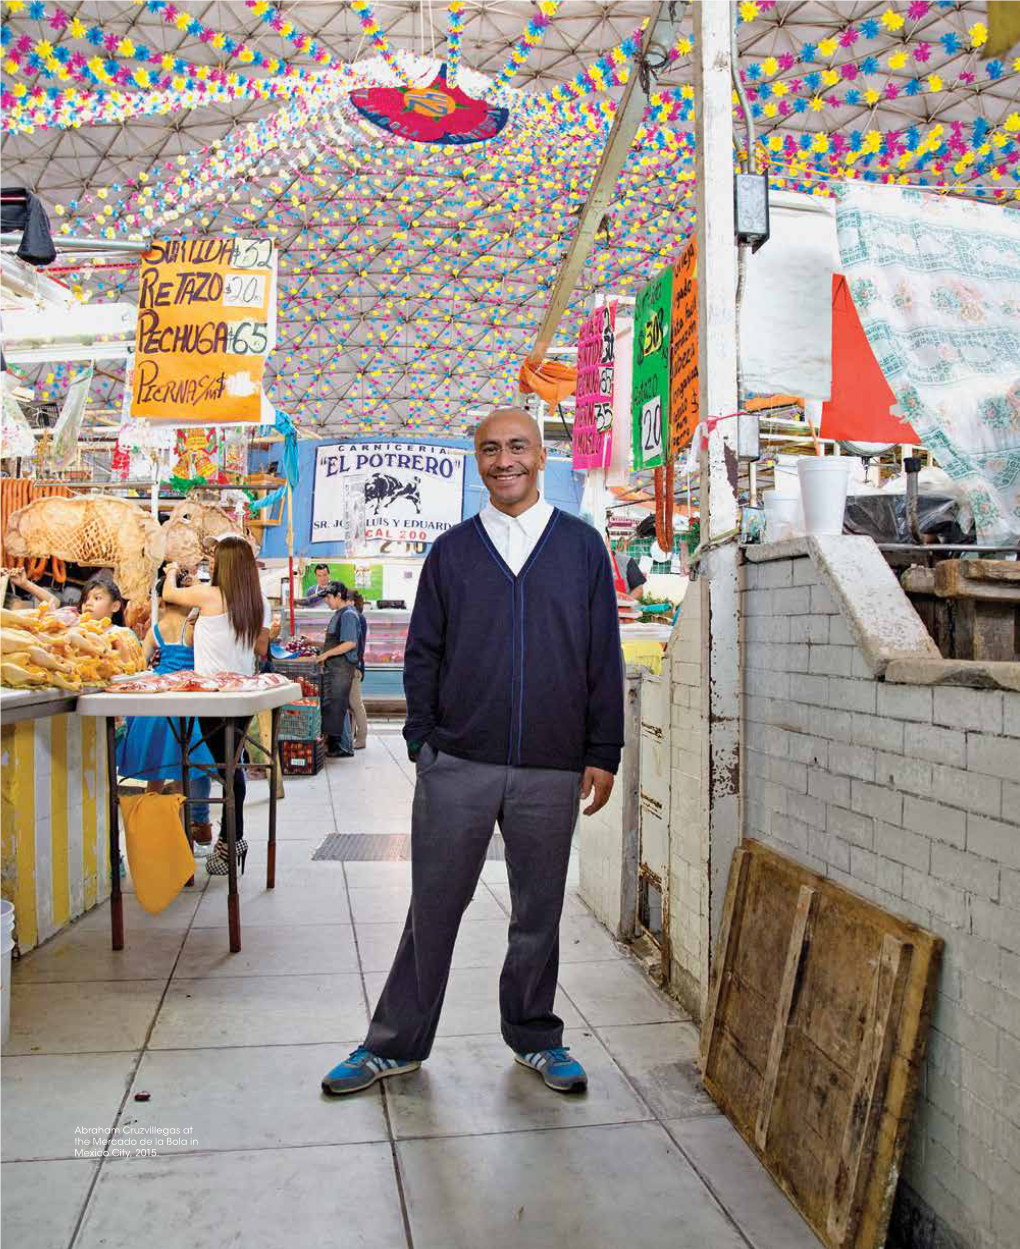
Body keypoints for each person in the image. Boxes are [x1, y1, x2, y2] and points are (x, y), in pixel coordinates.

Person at [322, 407, 624, 1098]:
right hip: (457, 762)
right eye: (489, 449)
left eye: (517, 446)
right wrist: (423, 738)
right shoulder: (453, 552)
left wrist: (602, 746)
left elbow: (601, 656)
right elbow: (423, 651)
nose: (504, 459)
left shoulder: (580, 548)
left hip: (552, 765)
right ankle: (392, 1044)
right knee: (433, 905)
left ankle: (535, 1035)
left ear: (540, 455)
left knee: (538, 910)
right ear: (476, 460)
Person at [163, 536, 271, 876]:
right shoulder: (258, 602)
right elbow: (259, 649)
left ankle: (232, 839)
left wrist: (169, 572)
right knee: (232, 763)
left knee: (227, 769)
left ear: (223, 565)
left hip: (211, 693)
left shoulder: (210, 595)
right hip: (243, 693)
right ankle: (230, 838)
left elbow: (169, 595)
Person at [116, 567, 215, 845]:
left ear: (160, 602)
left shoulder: (155, 630)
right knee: (186, 769)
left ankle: (149, 835)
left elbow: (140, 664)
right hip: (187, 695)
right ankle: (185, 834)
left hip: (158, 697)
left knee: (154, 772)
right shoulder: (194, 626)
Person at [317, 581, 360, 758]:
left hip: (341, 667)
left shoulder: (348, 615)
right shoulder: (339, 614)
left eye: (328, 597)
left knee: (338, 705)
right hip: (334, 668)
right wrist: (314, 644)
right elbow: (335, 642)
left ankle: (343, 747)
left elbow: (350, 643)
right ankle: (339, 745)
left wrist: (325, 655)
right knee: (336, 706)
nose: (326, 600)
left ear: (339, 596)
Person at [8, 569, 126, 624]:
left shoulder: (121, 634)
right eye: (85, 599)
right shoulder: (75, 623)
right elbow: (54, 603)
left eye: (97, 598)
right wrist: (25, 584)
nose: (88, 603)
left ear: (115, 606)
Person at [348, 591, 369, 751]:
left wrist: (354, 665)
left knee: (356, 703)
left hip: (354, 666)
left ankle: (361, 738)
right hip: (354, 665)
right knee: (352, 704)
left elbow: (358, 645)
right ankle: (353, 736)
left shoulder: (357, 617)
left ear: (353, 602)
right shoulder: (354, 616)